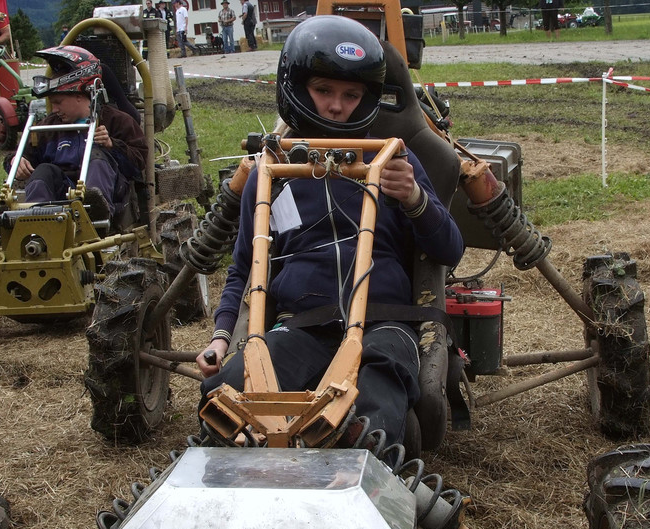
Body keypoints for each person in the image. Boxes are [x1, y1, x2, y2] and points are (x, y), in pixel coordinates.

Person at [197, 15, 464, 446]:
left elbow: (450, 250)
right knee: (228, 393)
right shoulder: (271, 173)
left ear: (367, 98)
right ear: (298, 88)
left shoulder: (395, 161)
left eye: (350, 95)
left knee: (374, 397)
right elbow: (243, 268)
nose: (337, 106)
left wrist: (414, 198)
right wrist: (222, 337)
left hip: (385, 321)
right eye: (324, 91)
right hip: (301, 325)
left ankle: (360, 454)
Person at [6, 46, 147, 223]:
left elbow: (139, 164)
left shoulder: (117, 121)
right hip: (61, 196)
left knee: (97, 157)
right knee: (44, 170)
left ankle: (94, 215)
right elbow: (21, 155)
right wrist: (16, 162)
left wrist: (112, 145)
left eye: (58, 102)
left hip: (110, 196)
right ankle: (37, 221)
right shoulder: (49, 127)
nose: (54, 109)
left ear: (79, 95)